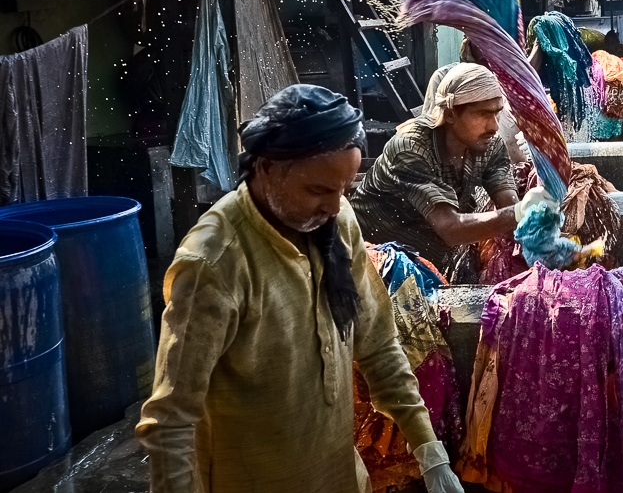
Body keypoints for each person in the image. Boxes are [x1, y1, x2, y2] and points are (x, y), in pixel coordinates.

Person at [137, 85, 463, 493]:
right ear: (267, 168)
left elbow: (378, 345)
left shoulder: (336, 221)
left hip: (340, 476)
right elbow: (171, 421)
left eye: (344, 189)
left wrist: (429, 451)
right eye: (318, 190)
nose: (334, 204)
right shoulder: (214, 263)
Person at [351, 63, 521, 277]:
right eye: (482, 114)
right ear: (450, 114)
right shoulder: (410, 148)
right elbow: (450, 229)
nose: (494, 126)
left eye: (497, 113)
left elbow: (509, 205)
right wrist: (521, 212)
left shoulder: (489, 144)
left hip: (430, 260)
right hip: (374, 262)